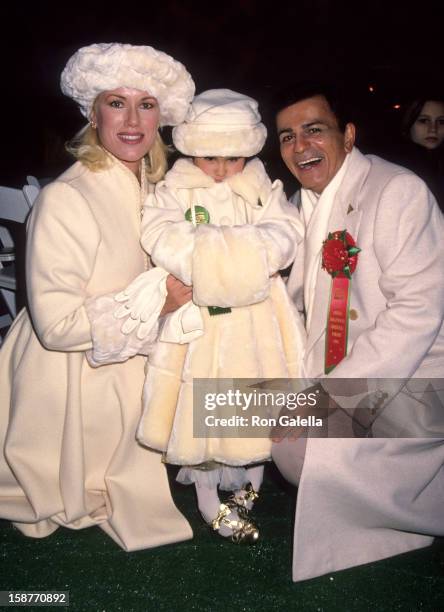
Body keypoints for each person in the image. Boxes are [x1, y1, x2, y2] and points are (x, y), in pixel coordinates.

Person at [0, 42, 196, 550]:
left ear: (161, 118)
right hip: (73, 379)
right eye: (116, 102)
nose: (132, 119)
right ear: (92, 111)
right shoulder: (67, 197)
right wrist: (163, 301)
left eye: (146, 104)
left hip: (138, 358)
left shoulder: (158, 189)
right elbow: (57, 326)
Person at [93, 89, 306, 542]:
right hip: (199, 322)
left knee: (256, 402)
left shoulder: (261, 187)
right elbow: (160, 231)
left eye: (233, 157)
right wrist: (224, 255)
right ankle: (208, 496)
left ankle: (252, 483)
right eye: (210, 156)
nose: (222, 168)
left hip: (258, 321)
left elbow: (286, 230)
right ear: (192, 149)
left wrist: (233, 252)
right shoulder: (175, 188)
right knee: (201, 407)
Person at [271, 82, 444, 581]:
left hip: (414, 381)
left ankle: (410, 509)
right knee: (232, 408)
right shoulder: (300, 202)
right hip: (329, 369)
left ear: (347, 135)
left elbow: (416, 312)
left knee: (296, 447)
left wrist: (326, 398)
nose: (300, 146)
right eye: (287, 137)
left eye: (314, 130)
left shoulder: (397, 190)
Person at [396, 97, 444, 210]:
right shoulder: (398, 168)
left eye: (441, 121)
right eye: (424, 121)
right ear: (408, 123)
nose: (433, 129)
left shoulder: (437, 162)